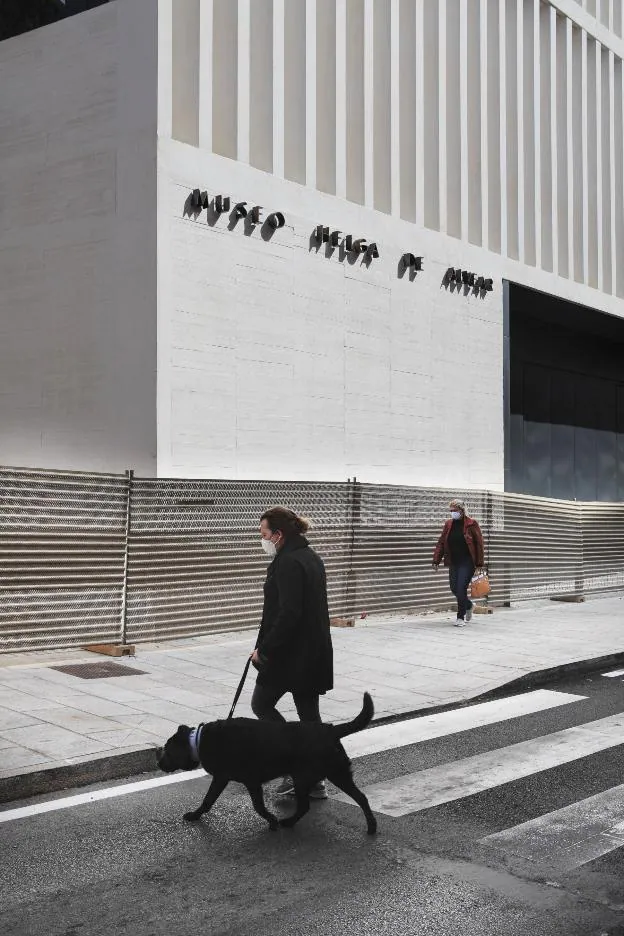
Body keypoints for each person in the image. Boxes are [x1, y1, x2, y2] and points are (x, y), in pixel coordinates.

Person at [250, 506, 334, 800]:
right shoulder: (310, 557)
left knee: (261, 705)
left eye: (263, 534)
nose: (262, 540)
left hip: (288, 655)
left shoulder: (286, 563)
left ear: (278, 534)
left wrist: (264, 649)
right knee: (310, 718)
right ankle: (314, 778)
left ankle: (295, 765)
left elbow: (288, 614)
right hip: (313, 652)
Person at [432, 499, 484, 627]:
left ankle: (460, 617)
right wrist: (436, 560)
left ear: (461, 510)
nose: (452, 513)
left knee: (461, 588)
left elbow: (479, 544)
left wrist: (479, 564)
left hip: (467, 562)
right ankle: (469, 605)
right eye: (451, 511)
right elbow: (442, 542)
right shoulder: (449, 524)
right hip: (454, 561)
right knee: (454, 588)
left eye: (454, 510)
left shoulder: (472, 524)